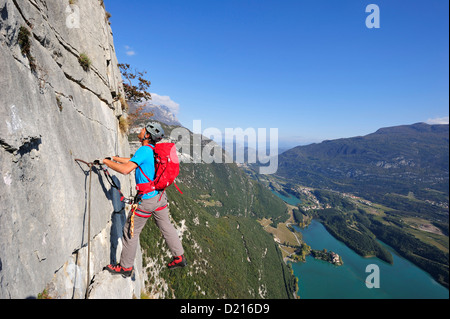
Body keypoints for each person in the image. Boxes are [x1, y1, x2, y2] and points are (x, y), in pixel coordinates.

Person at [102, 122, 187, 277]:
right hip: (160, 197)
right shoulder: (153, 150)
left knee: (130, 232)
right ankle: (179, 256)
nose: (140, 131)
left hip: (146, 200)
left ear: (147, 135)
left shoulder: (144, 149)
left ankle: (125, 267)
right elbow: (133, 160)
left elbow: (127, 169)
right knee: (166, 226)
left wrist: (106, 162)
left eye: (143, 130)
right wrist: (115, 158)